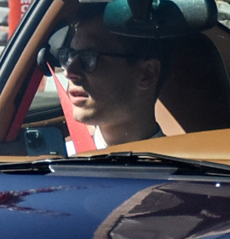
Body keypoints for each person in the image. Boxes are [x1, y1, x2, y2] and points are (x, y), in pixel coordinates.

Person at [43, 9, 170, 150]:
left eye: (88, 57)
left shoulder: (185, 168)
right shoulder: (57, 160)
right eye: (69, 55)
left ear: (147, 74)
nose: (69, 72)